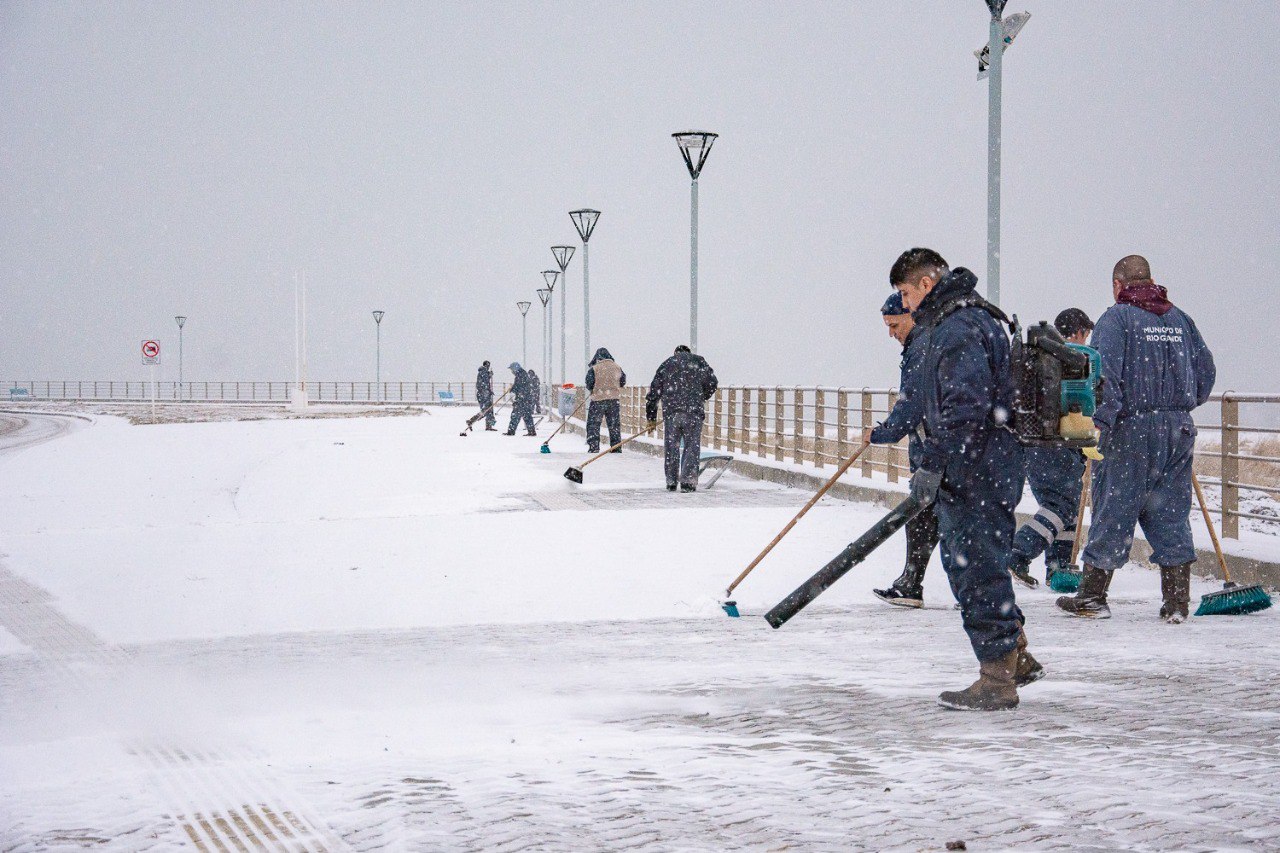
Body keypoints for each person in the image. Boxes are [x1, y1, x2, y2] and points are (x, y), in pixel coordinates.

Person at [889, 248, 1039, 711]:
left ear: (927, 284)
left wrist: (935, 460)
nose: (905, 303)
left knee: (974, 568)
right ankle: (1015, 655)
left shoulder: (956, 328)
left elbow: (964, 409)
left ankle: (997, 678)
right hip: (988, 464)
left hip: (975, 469)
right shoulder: (971, 319)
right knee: (984, 562)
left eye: (906, 292)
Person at [1057, 255, 1215, 623]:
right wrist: (1181, 405)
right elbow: (1206, 371)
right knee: (1171, 510)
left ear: (1118, 285)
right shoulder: (1180, 319)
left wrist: (1099, 423)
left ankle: (1093, 595)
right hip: (1177, 428)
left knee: (1115, 505)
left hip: (1131, 427)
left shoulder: (1117, 318)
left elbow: (1104, 377)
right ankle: (1177, 601)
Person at [1006, 308, 1094, 588]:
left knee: (1062, 506)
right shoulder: (1071, 359)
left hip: (1035, 444)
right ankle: (1018, 553)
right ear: (1079, 332)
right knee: (1062, 504)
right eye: (1086, 333)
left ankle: (1058, 568)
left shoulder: (1042, 356)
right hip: (1056, 444)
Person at [864, 291, 939, 608]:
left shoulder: (922, 348)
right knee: (926, 518)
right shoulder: (926, 343)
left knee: (930, 517)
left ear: (911, 315)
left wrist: (881, 434)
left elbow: (913, 406)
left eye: (895, 325)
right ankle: (910, 583)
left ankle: (986, 593)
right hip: (939, 449)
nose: (892, 334)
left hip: (940, 451)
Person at [645, 345, 718, 492]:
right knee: (692, 446)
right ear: (688, 353)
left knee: (672, 446)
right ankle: (688, 482)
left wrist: (651, 418)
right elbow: (712, 383)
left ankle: (671, 481)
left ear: (675, 354)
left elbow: (654, 392)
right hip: (693, 411)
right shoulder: (699, 362)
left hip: (672, 411)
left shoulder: (667, 363)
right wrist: (701, 396)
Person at [585, 348, 626, 453]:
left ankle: (594, 446)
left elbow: (589, 383)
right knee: (614, 425)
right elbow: (623, 381)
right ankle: (616, 447)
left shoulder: (595, 368)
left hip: (598, 399)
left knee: (593, 424)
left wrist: (594, 389)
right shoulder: (617, 367)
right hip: (613, 400)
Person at [504, 362, 537, 436]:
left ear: (516, 368)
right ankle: (531, 432)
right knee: (527, 416)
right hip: (526, 399)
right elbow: (518, 386)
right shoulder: (522, 374)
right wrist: (513, 389)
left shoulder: (521, 375)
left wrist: (517, 394)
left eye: (512, 369)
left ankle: (511, 431)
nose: (511, 371)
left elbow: (521, 387)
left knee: (515, 415)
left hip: (522, 399)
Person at [476, 360, 497, 431]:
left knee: (487, 410)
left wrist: (490, 391)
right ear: (486, 365)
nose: (488, 367)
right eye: (488, 366)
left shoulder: (483, 372)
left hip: (483, 393)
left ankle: (489, 426)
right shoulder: (483, 371)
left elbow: (485, 383)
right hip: (484, 394)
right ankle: (472, 421)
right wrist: (489, 375)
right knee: (487, 409)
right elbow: (484, 383)